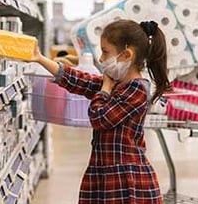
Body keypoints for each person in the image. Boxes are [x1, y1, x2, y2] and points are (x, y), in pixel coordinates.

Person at [28, 19, 170, 204]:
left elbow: (100, 118)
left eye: (105, 51)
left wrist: (104, 89)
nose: (101, 59)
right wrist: (40, 58)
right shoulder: (117, 83)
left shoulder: (137, 89)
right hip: (106, 172)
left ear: (126, 55)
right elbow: (79, 80)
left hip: (126, 180)